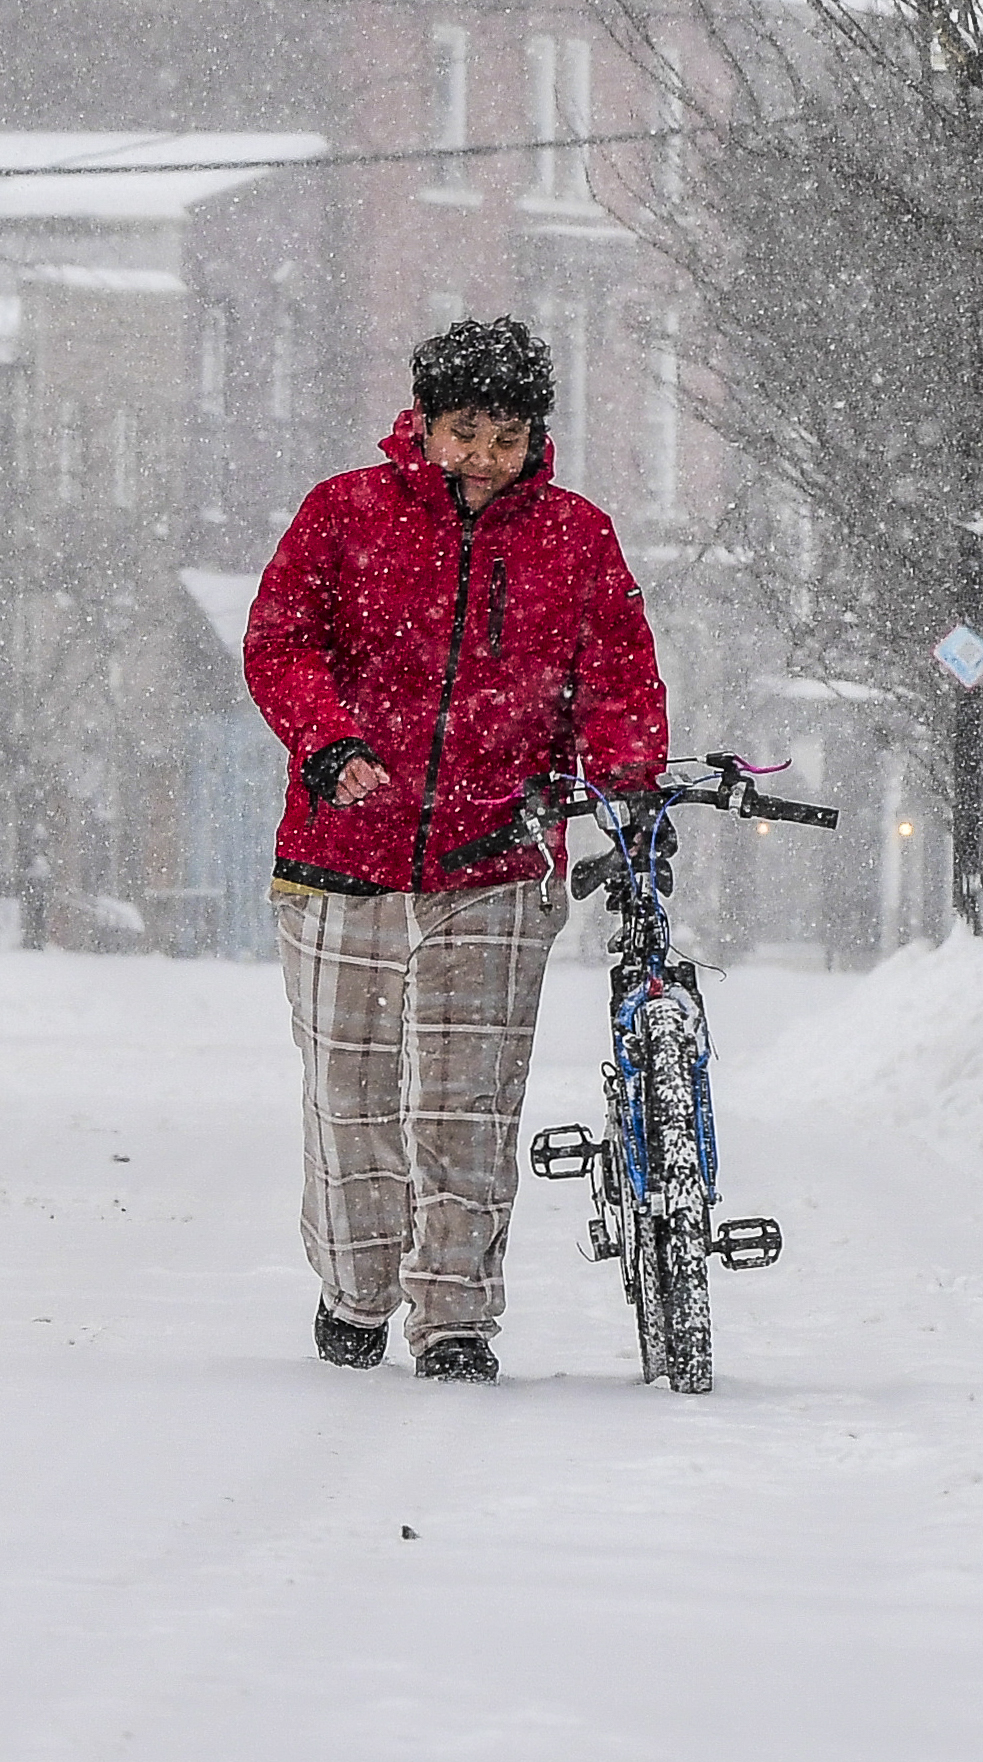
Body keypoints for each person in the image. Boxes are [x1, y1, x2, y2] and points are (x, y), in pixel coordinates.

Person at [241, 318, 664, 1382]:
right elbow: (280, 640)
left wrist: (624, 782)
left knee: (468, 1100)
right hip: (343, 853)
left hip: (495, 857)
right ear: (420, 422)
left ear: (536, 439)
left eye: (505, 435)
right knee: (350, 1095)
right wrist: (327, 737)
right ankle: (355, 1284)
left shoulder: (575, 538)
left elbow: (613, 679)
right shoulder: (343, 513)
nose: (481, 456)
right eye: (463, 430)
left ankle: (456, 1314)